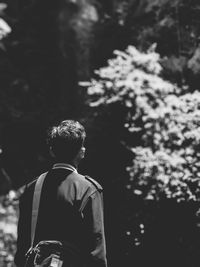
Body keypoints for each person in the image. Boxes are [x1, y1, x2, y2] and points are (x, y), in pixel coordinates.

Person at [14, 120, 107, 267]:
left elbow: (22, 246)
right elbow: (96, 251)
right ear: (81, 152)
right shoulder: (88, 189)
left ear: (51, 150)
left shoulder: (32, 188)